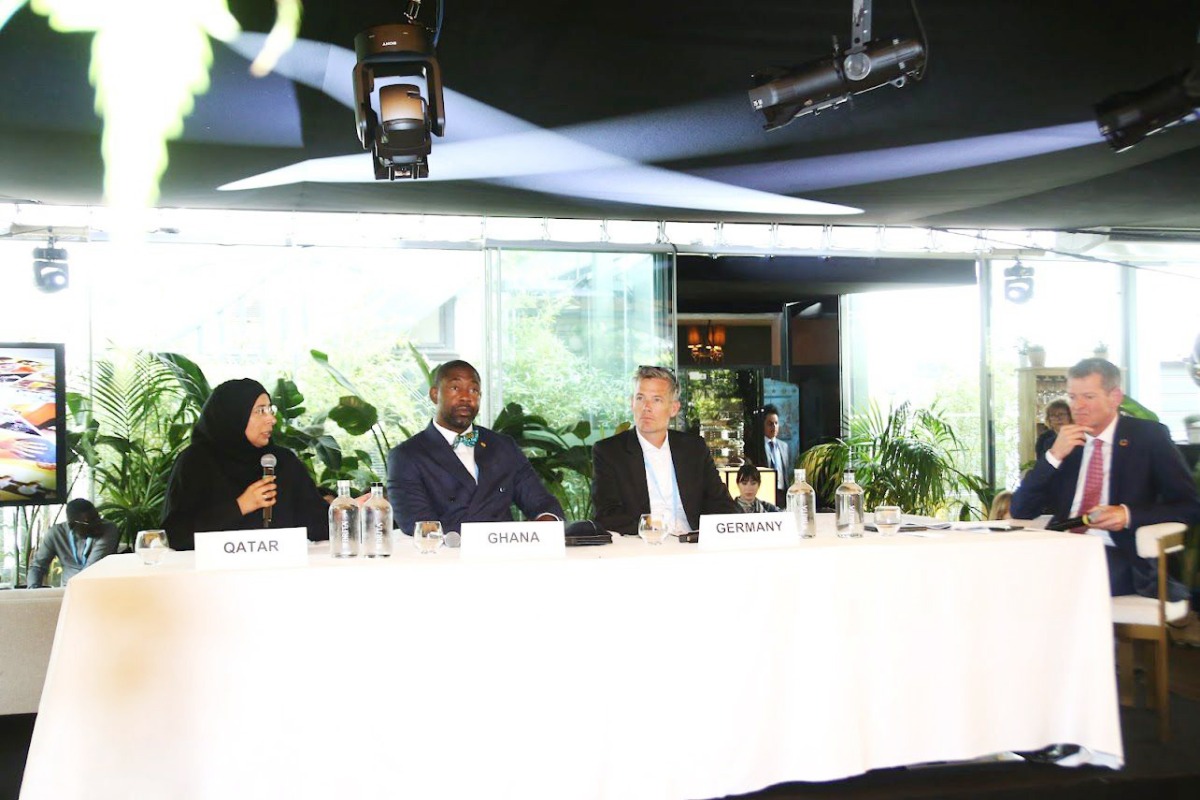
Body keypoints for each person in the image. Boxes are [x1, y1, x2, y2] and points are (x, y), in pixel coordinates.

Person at [1011, 358, 1200, 600]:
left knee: (1059, 581)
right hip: (1062, 547)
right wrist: (1054, 456)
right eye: (1072, 397)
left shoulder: (1149, 437)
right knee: (1011, 572)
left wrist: (1127, 514)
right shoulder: (1059, 443)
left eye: (1088, 397)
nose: (1077, 406)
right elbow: (1021, 509)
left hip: (1118, 552)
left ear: (1115, 397)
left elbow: (1189, 506)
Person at [386, 360, 564, 535]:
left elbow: (542, 502)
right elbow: (417, 524)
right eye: (455, 388)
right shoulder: (406, 456)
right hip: (447, 558)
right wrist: (484, 539)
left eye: (474, 390)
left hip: (506, 558)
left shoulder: (503, 446)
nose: (465, 397)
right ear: (434, 394)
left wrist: (545, 521)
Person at [161, 379, 330, 550]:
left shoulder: (283, 462)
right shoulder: (196, 462)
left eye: (270, 410)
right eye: (260, 411)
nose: (271, 419)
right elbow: (176, 535)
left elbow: (319, 524)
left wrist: (348, 512)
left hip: (278, 572)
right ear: (234, 414)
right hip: (214, 574)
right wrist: (241, 506)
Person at [592, 365, 737, 535]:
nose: (646, 407)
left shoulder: (694, 449)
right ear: (632, 403)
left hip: (692, 543)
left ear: (674, 408)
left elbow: (722, 503)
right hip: (644, 545)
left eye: (656, 400)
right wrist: (651, 529)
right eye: (640, 398)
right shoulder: (610, 452)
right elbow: (606, 514)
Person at [26, 498, 120, 587]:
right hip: (67, 590)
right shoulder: (56, 534)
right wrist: (33, 589)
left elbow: (91, 569)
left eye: (97, 517)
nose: (97, 524)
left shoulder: (109, 529)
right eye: (89, 522)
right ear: (72, 525)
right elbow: (37, 566)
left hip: (100, 587)